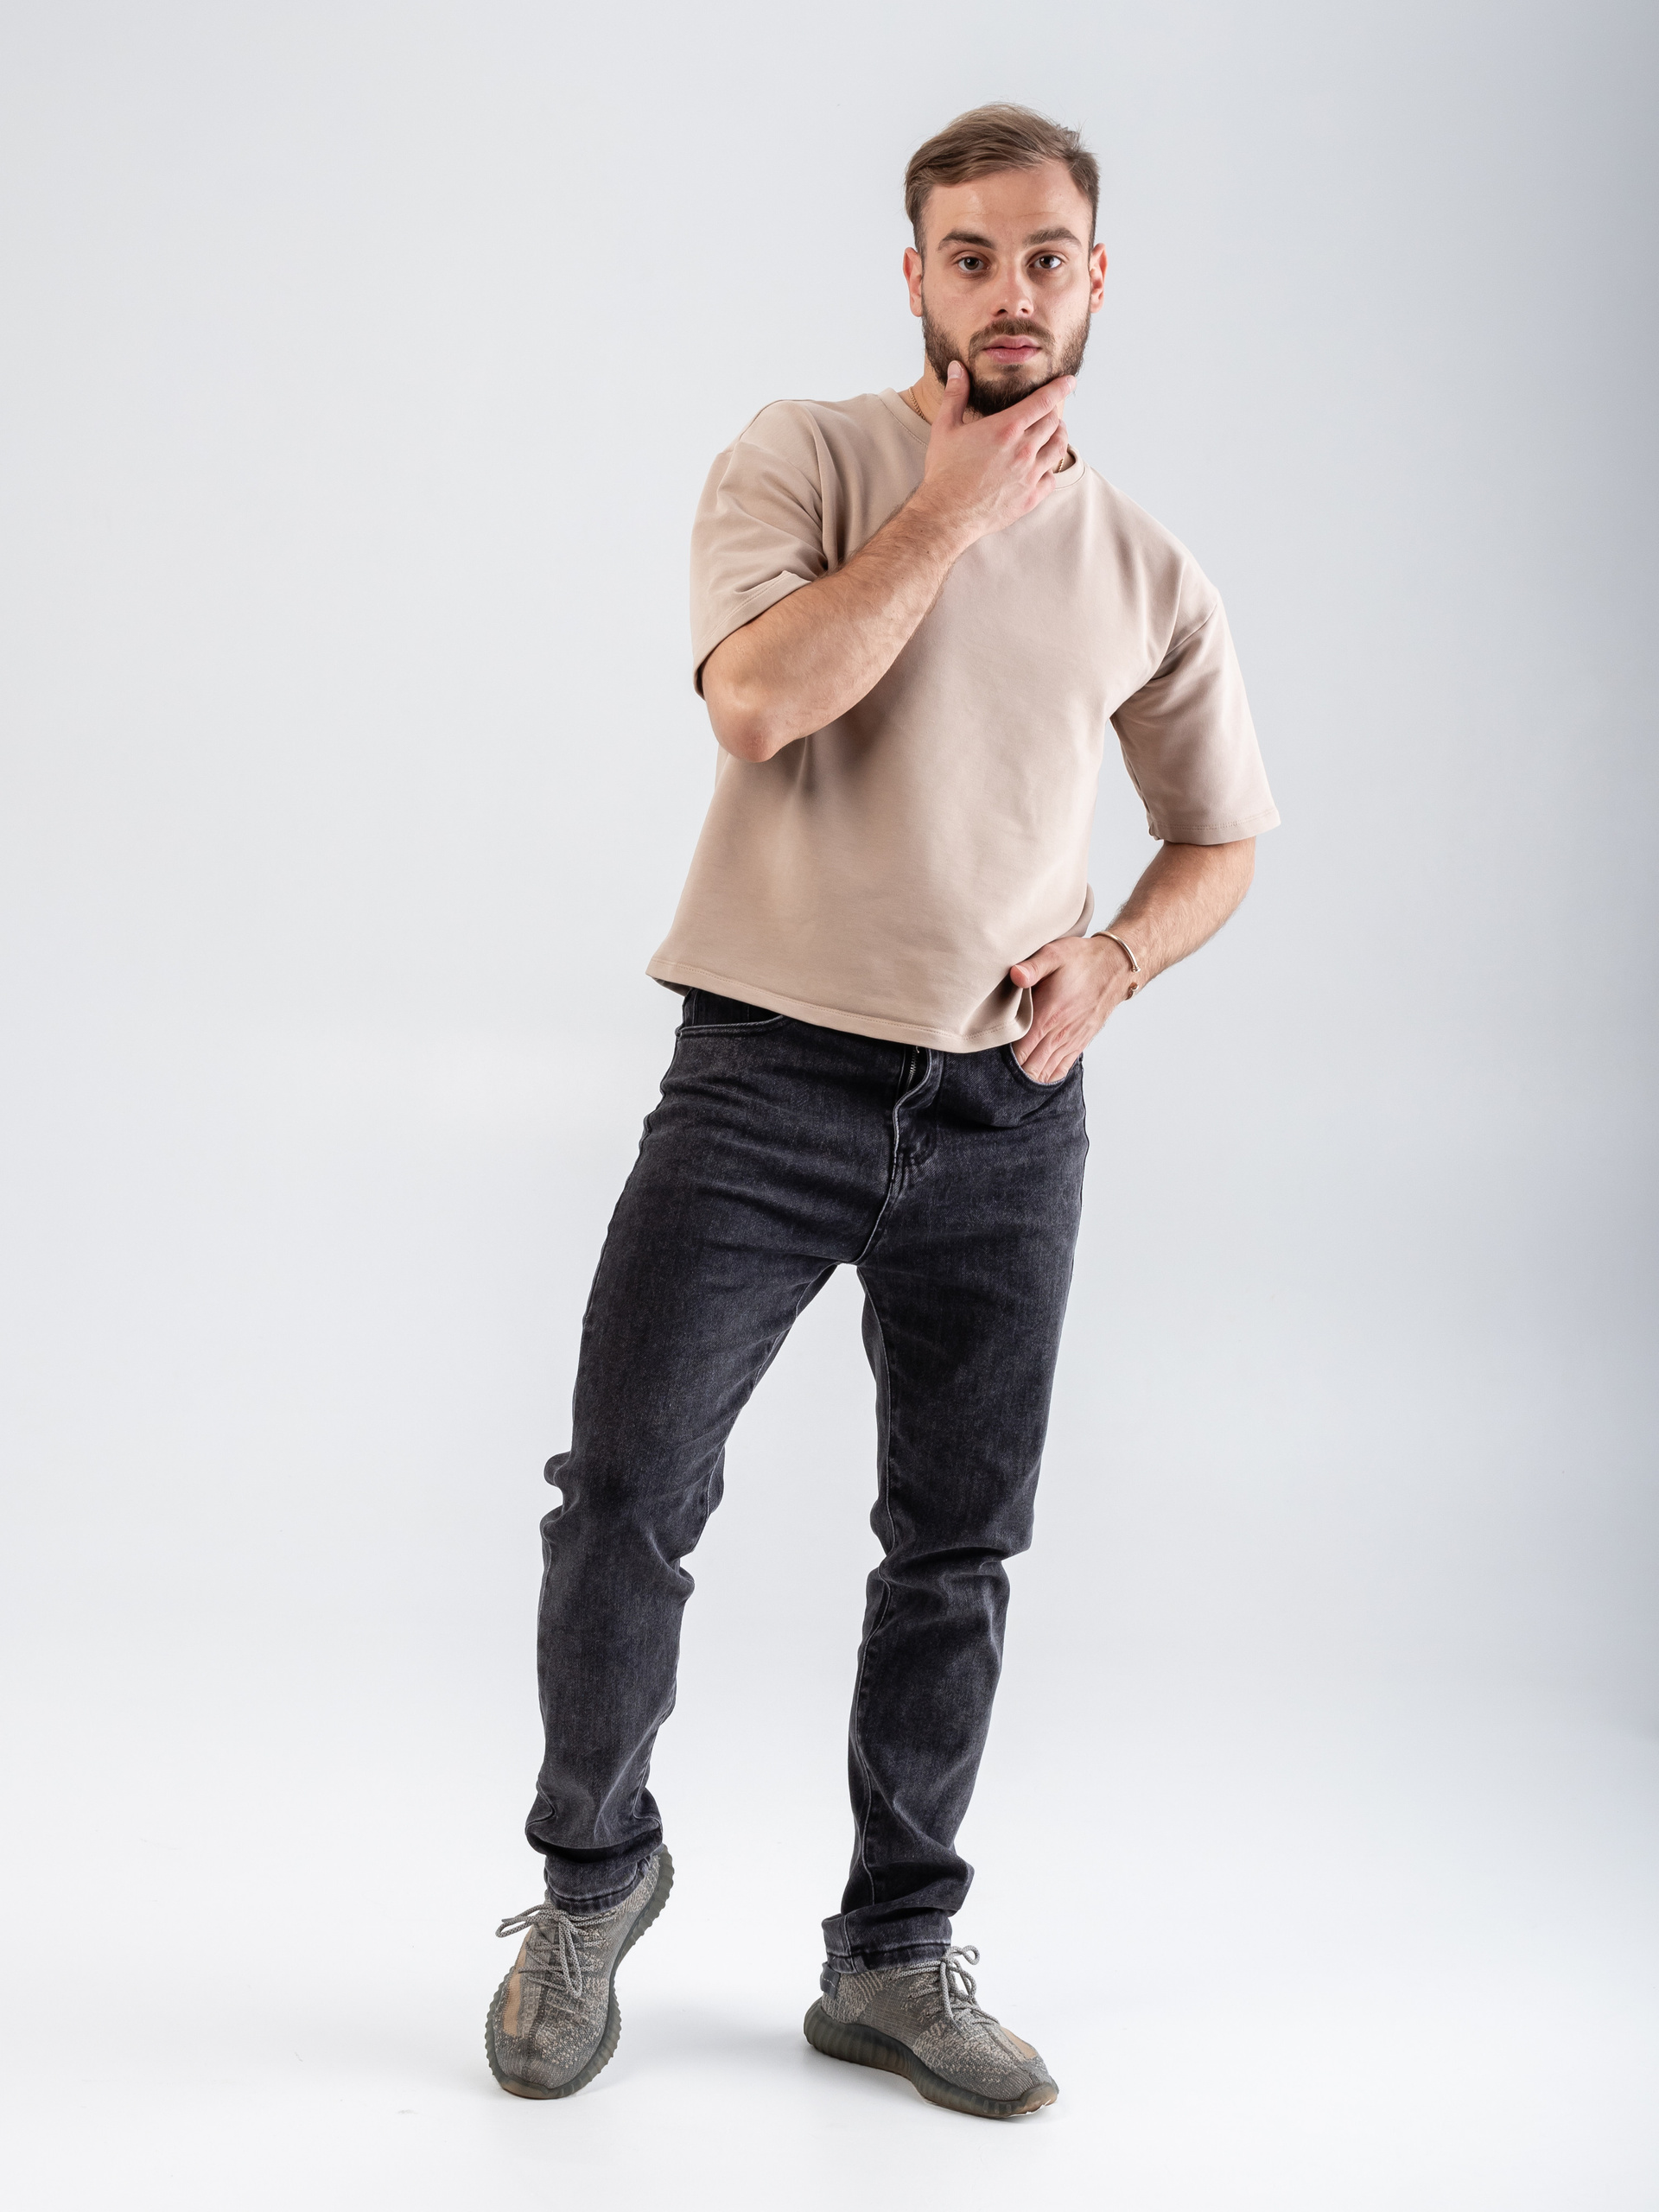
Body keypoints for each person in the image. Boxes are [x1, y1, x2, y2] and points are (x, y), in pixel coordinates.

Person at [485, 102, 1279, 2120]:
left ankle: (894, 1954)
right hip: (763, 1075)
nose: (1011, 292)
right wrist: (948, 513)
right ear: (914, 275)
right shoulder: (809, 458)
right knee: (625, 1495)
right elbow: (761, 699)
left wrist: (1113, 960)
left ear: (1096, 279)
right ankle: (593, 1880)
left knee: (956, 1545)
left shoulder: (1147, 566)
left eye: (1045, 257)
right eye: (971, 256)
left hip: (1006, 1111)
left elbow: (1222, 835)